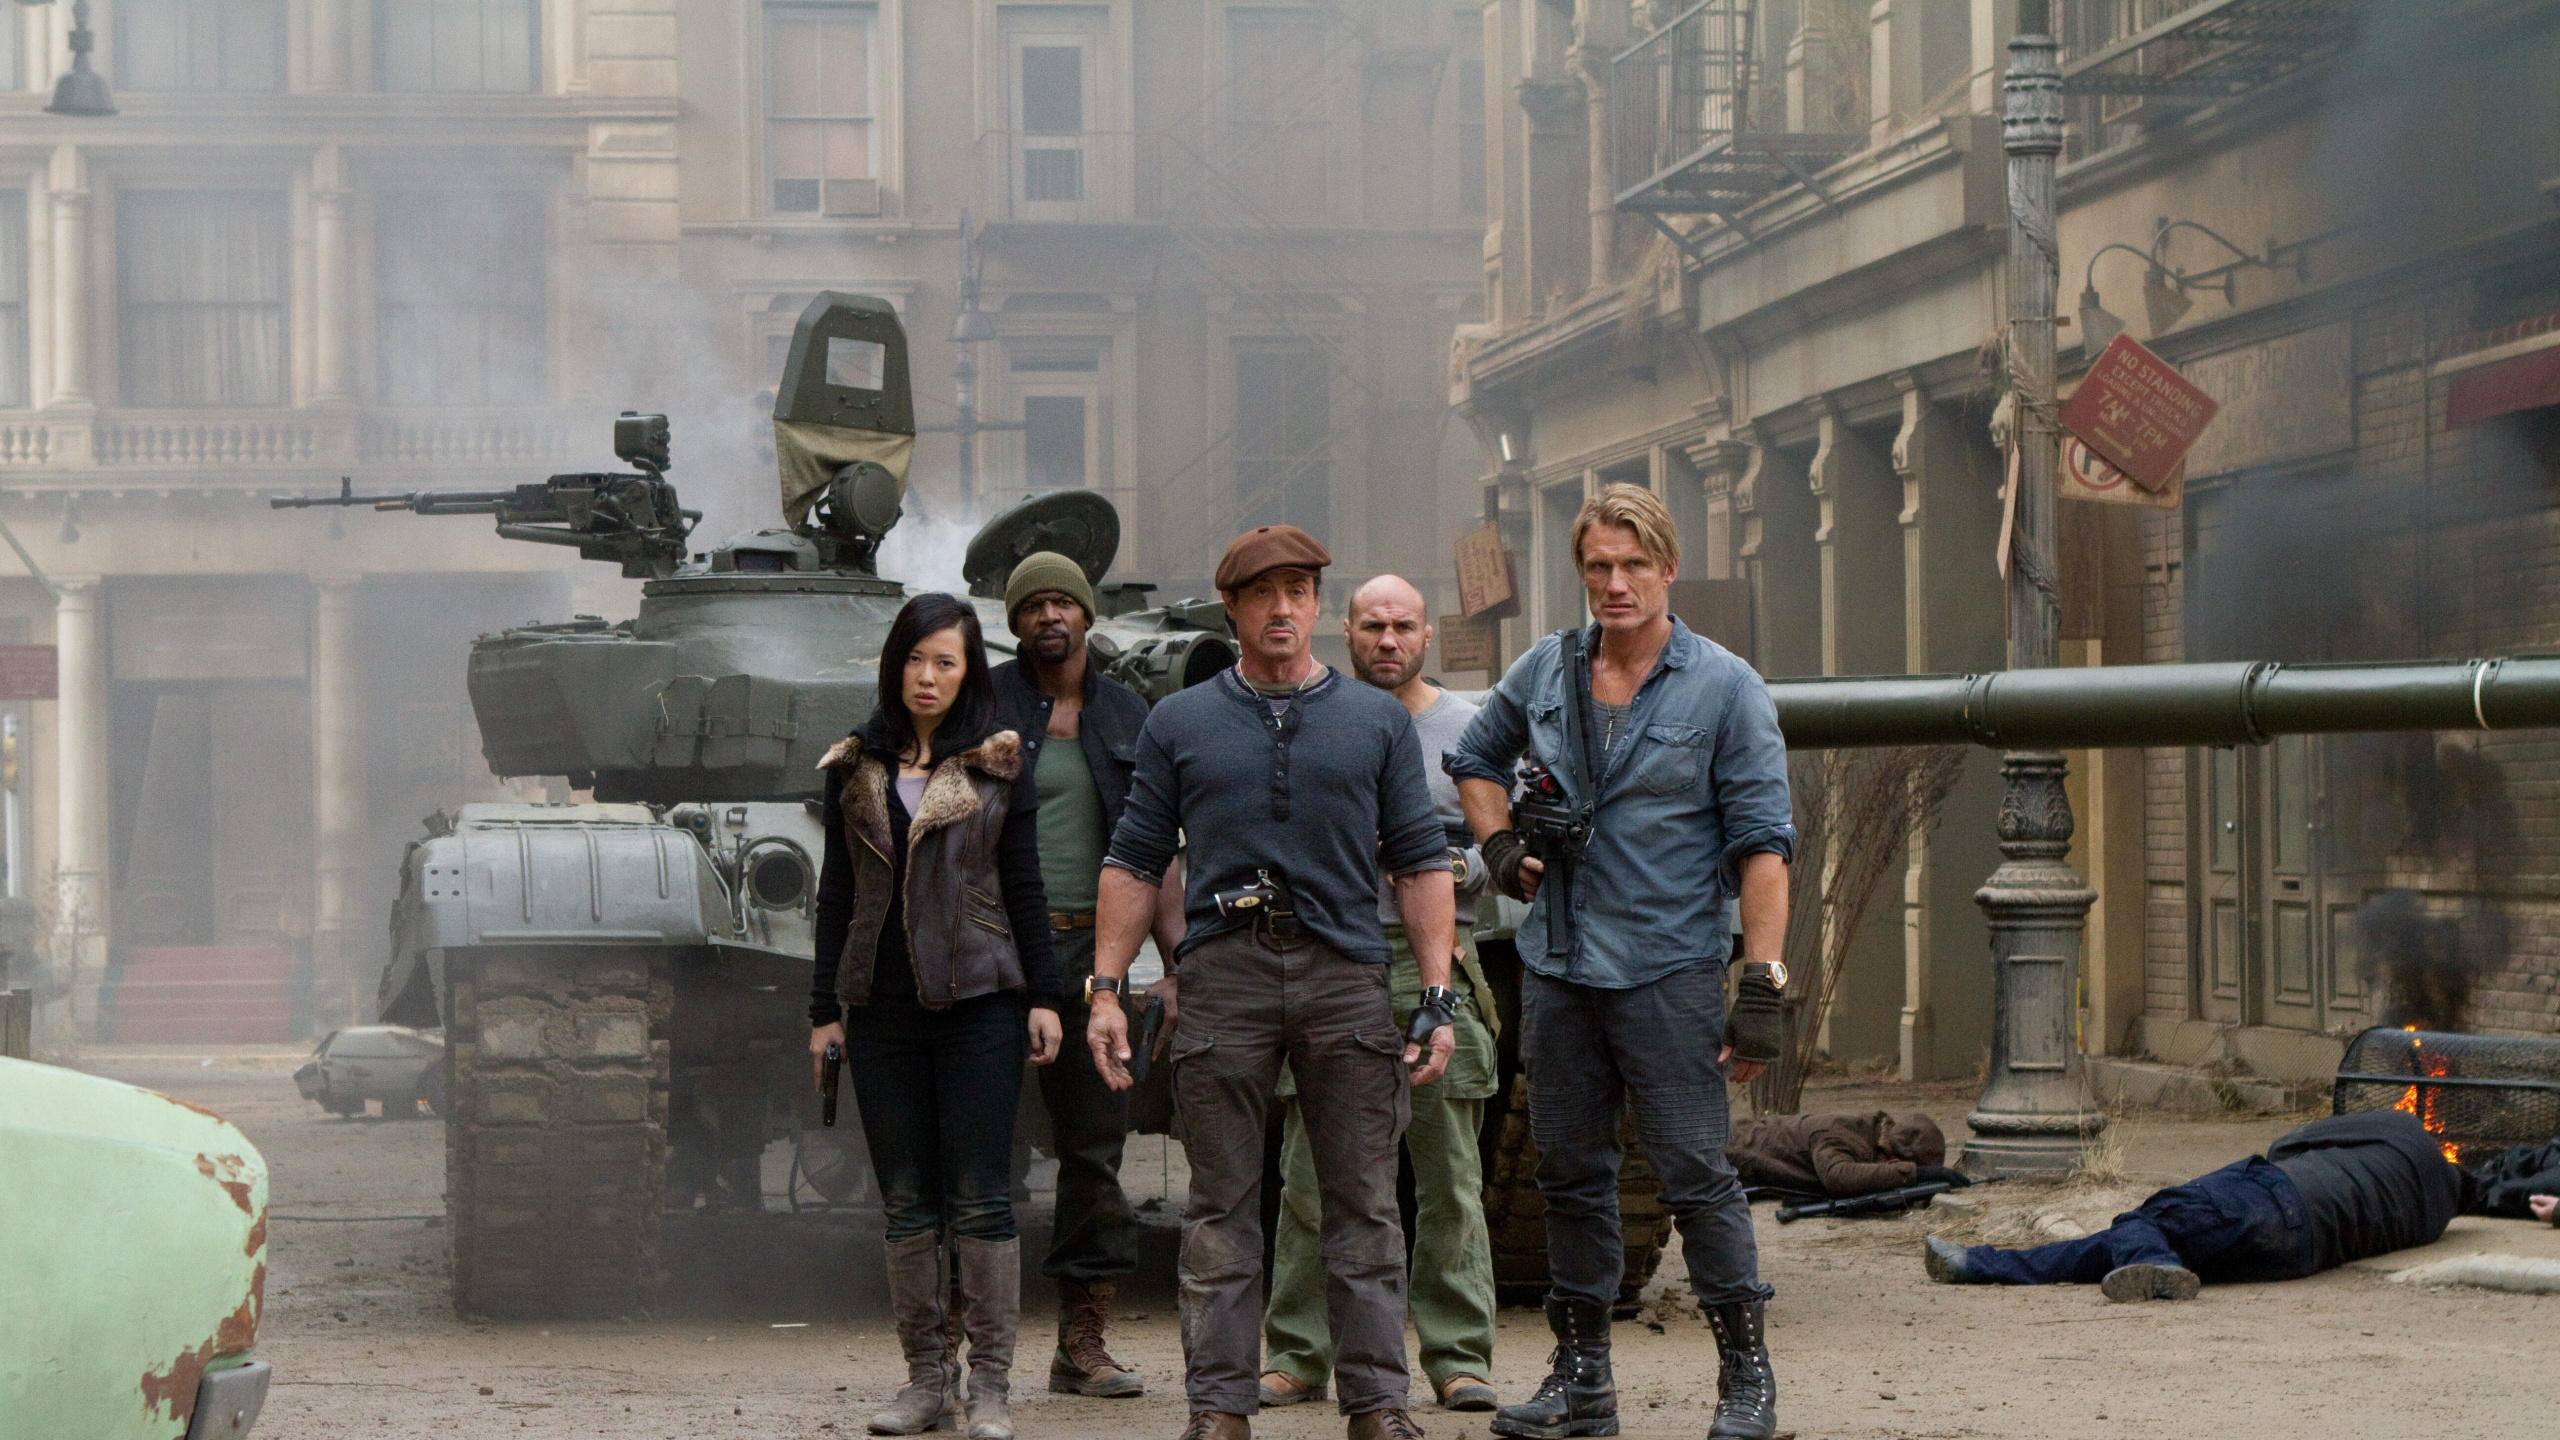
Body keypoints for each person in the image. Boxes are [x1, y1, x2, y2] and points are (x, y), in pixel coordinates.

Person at [1086, 525, 1460, 1440]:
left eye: (1297, 591)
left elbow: (1420, 860)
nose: (1282, 608)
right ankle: (1220, 1407)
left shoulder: (1375, 721)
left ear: (1318, 604)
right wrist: (1105, 989)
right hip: (1224, 973)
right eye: (1262, 594)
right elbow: (1134, 859)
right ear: (1233, 608)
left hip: (1346, 973)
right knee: (1220, 1207)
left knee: (1365, 1203)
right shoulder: (1180, 722)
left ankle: (1376, 1405)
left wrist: (1437, 997)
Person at [1446, 483, 1796, 1440]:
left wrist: (1761, 984)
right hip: (1560, 968)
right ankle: (1582, 1384)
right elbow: (1474, 759)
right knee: (1568, 1177)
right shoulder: (1546, 669)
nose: (1616, 583)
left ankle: (1746, 1383)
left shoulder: (1725, 686)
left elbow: (1764, 846)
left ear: (1667, 568)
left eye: (1634, 565)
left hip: (1668, 970)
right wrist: (1500, 847)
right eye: (1599, 566)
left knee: (1696, 1177)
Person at [809, 593, 1065, 1440]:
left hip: (981, 1003)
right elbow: (837, 893)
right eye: (915, 659)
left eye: (945, 662)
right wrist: (824, 1010)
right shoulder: (855, 766)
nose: (928, 676)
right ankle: (926, 1382)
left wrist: (1044, 996)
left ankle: (989, 1388)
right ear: (896, 665)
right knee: (907, 1201)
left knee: (982, 1199)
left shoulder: (997, 764)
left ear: (968, 672)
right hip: (880, 1012)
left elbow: (1024, 884)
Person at [1260, 576, 1502, 1415]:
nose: (1388, 640)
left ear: (1427, 635)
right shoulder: (1307, 718)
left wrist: (1442, 865)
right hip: (1328, 960)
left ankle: (1459, 1357)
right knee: (1308, 1174)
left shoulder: (1468, 731)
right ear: (1347, 631)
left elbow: (1502, 842)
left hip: (1435, 957)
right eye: (1372, 626)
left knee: (1450, 1177)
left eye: (1403, 626)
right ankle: (1297, 1352)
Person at [990, 551, 1188, 1400]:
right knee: (975, 1147)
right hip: (995, 954)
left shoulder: (1127, 713)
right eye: (1033, 604)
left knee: (1095, 1153)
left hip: (1096, 963)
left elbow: (1156, 849)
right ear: (1015, 621)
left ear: (1085, 614)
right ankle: (967, 1352)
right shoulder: (983, 703)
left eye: (1062, 602)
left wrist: (1176, 963)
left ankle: (1082, 1341)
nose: (1050, 616)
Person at [1924, 1111, 2475, 1300]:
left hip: (2278, 1195)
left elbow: (2290, 1145)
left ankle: (2155, 1265)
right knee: (2130, 1241)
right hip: (2301, 1254)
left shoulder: (2406, 1131)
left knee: (2142, 1221)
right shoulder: (2436, 1217)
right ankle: (1980, 1264)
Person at [1727, 1113, 1959, 1200]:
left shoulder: (1868, 1133)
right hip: (1726, 1153)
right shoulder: (1841, 1133)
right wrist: (1916, 1174)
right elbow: (1838, 1176)